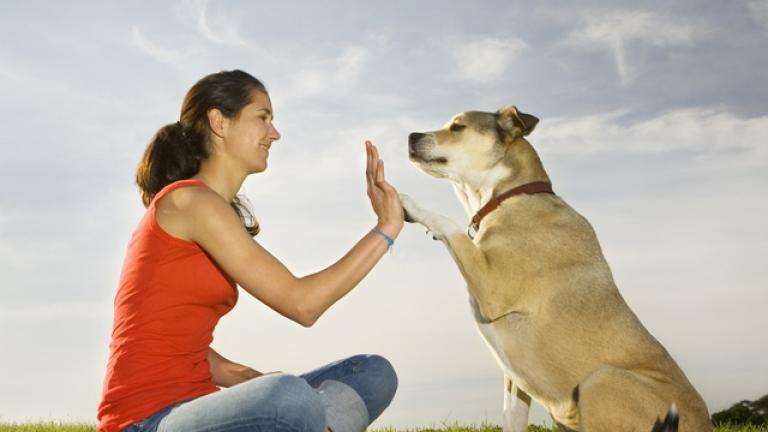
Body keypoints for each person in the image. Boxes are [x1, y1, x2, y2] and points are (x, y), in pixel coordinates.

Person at [97, 70, 403, 432]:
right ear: (219, 122)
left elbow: (171, 340)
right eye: (263, 118)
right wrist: (386, 228)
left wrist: (250, 382)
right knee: (291, 397)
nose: (274, 133)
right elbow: (302, 304)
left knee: (372, 373)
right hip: (144, 422)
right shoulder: (189, 201)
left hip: (199, 407)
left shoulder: (212, 210)